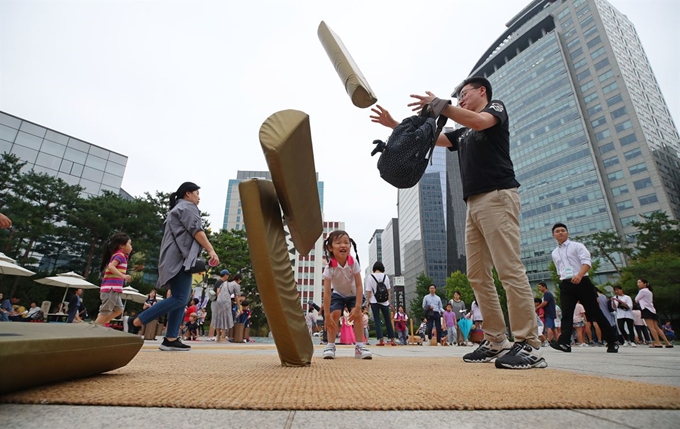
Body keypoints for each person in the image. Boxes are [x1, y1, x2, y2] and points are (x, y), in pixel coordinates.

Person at [371, 76, 544, 369]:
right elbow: (432, 139)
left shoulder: (496, 110)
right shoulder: (462, 132)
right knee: (477, 275)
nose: (461, 98)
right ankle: (495, 340)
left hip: (498, 197)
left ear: (482, 92)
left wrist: (441, 106)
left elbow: (479, 122)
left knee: (509, 269)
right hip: (473, 204)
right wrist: (394, 125)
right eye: (458, 96)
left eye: (464, 94)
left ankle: (528, 343)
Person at [132, 182, 219, 351]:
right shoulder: (187, 207)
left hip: (175, 258)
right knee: (180, 298)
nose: (198, 197)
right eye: (197, 193)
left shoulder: (176, 209)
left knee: (181, 298)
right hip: (179, 259)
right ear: (188, 194)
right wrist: (211, 250)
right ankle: (137, 321)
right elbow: (197, 230)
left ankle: (170, 338)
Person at [548, 223, 618, 353]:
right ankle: (564, 343)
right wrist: (562, 278)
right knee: (567, 313)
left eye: (563, 230)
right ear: (553, 235)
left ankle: (612, 341)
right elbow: (559, 268)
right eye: (557, 231)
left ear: (567, 233)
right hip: (566, 284)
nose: (560, 233)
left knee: (595, 312)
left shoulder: (577, 246)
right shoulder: (554, 252)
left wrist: (579, 275)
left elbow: (586, 262)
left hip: (582, 282)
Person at [321, 230, 371, 359]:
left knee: (357, 314)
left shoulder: (353, 262)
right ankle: (330, 345)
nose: (343, 245)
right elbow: (327, 293)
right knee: (334, 314)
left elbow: (360, 285)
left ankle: (359, 346)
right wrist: (326, 314)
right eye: (338, 243)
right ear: (330, 248)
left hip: (354, 294)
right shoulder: (329, 267)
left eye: (346, 242)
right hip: (338, 293)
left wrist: (358, 306)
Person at [94, 233, 132, 326]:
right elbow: (111, 266)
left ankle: (101, 324)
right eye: (129, 244)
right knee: (105, 311)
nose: (131, 247)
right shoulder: (120, 255)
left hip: (114, 289)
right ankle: (95, 328)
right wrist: (122, 276)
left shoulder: (121, 255)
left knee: (119, 310)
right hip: (111, 289)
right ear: (122, 246)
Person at [364, 261, 396, 346]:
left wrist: (368, 302)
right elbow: (388, 290)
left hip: (374, 300)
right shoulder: (385, 276)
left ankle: (381, 340)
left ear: (374, 268)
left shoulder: (370, 277)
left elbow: (369, 291)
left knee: (377, 320)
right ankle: (392, 339)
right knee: (388, 320)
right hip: (384, 301)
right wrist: (388, 301)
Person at [634, 278, 673, 348]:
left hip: (646, 309)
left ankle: (658, 343)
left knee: (651, 327)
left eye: (640, 282)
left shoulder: (642, 291)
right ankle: (667, 342)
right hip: (652, 310)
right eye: (638, 282)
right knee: (656, 327)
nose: (638, 284)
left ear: (645, 284)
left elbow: (636, 299)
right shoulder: (649, 291)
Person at [208, 269, 230, 340]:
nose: (228, 276)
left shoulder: (219, 282)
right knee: (214, 319)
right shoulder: (220, 282)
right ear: (225, 275)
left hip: (215, 302)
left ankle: (214, 336)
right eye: (228, 275)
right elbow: (218, 291)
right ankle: (211, 336)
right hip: (217, 302)